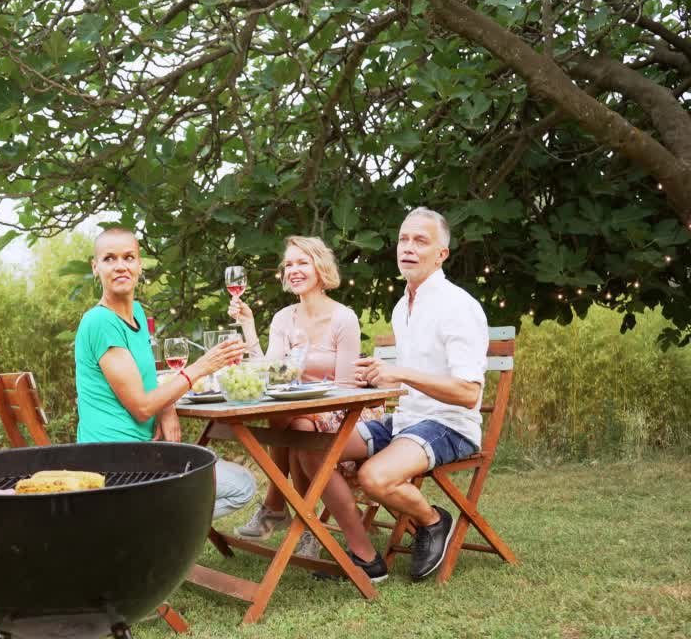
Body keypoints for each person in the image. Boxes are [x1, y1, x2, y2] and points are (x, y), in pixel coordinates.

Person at [304, 207, 487, 582]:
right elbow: (409, 379)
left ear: (441, 254)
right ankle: (364, 554)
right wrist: (376, 378)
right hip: (405, 420)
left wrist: (399, 372)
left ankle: (432, 521)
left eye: (421, 241)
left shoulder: (458, 307)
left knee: (374, 477)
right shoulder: (403, 305)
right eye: (404, 239)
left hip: (449, 424)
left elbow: (469, 394)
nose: (409, 247)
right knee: (309, 445)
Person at [74, 228, 256, 518]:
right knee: (241, 485)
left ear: (139, 265)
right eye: (110, 258)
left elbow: (145, 380)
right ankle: (147, 528)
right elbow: (143, 407)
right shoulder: (100, 322)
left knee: (238, 480)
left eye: (128, 257)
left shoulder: (135, 312)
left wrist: (168, 407)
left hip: (141, 452)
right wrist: (202, 367)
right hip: (115, 463)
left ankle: (146, 526)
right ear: (96, 267)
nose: (121, 265)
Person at [230, 237, 384, 563]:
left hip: (346, 416)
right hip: (300, 413)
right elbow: (269, 373)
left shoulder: (343, 319)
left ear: (320, 267)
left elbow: (346, 389)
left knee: (296, 423)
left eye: (302, 262)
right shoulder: (284, 318)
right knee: (290, 420)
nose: (294, 270)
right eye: (289, 264)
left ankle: (279, 508)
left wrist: (310, 406)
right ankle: (303, 524)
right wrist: (248, 327)